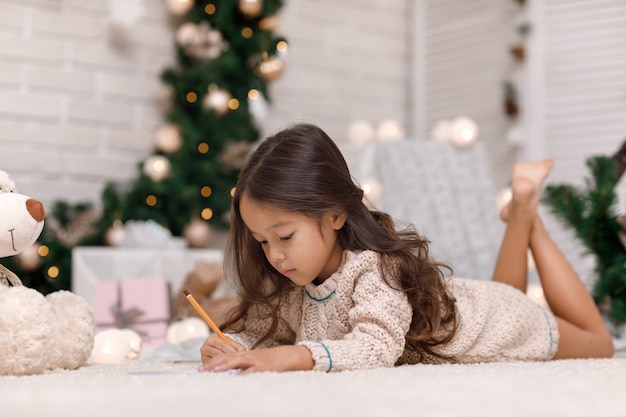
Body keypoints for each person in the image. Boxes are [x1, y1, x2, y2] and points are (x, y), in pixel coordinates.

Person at [199, 123, 614, 374]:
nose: (274, 255)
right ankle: (521, 208)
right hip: (485, 305)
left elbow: (376, 346)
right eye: (262, 241)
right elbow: (264, 334)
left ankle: (530, 220)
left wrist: (293, 358)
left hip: (499, 323)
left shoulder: (373, 271)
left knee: (600, 344)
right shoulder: (298, 282)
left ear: (336, 215)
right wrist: (236, 346)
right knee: (509, 292)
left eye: (285, 236)